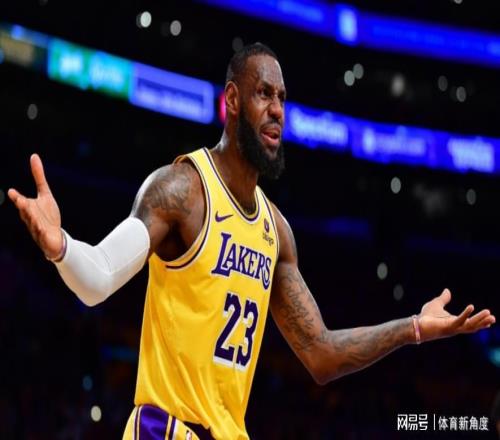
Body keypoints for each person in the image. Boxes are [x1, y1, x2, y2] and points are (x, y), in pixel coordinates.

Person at [8, 43, 496, 440]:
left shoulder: (275, 232)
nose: (277, 110)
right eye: (264, 93)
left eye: (282, 98)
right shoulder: (181, 190)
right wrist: (61, 246)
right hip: (165, 430)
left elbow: (321, 354)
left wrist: (413, 327)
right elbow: (98, 279)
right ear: (233, 100)